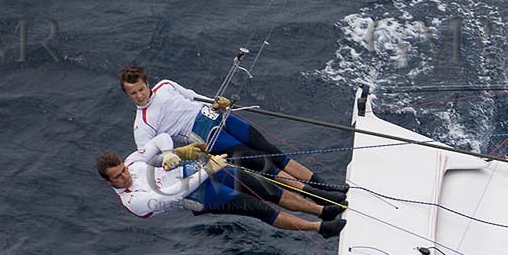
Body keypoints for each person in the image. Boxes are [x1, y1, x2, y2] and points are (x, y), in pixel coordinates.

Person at [118, 64, 346, 204]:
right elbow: (150, 159)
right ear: (127, 95)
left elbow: (193, 96)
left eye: (140, 89)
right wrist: (170, 155)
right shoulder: (142, 125)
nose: (139, 96)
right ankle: (319, 197)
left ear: (147, 83)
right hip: (208, 137)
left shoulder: (165, 86)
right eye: (132, 93)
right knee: (264, 165)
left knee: (273, 152)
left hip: (220, 117)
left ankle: (325, 186)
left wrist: (217, 102)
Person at [97, 135, 345, 237]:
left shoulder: (132, 162)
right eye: (118, 177)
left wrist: (169, 152)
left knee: (265, 188)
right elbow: (176, 193)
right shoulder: (134, 201)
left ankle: (323, 210)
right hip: (199, 194)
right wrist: (207, 169)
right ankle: (320, 227)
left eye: (123, 170)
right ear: (109, 183)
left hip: (198, 170)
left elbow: (162, 139)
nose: (125, 176)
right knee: (258, 208)